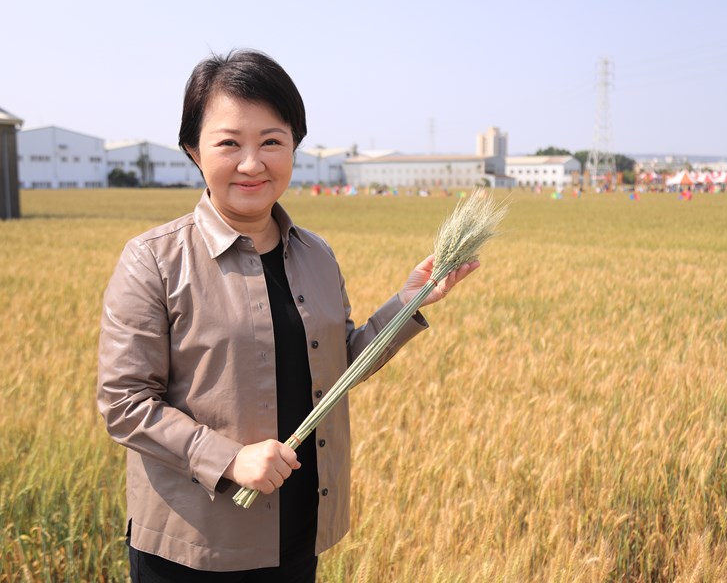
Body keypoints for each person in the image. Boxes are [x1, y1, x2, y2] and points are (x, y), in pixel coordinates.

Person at [97, 49, 478, 582]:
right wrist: (228, 459)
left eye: (271, 142)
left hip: (298, 530)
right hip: (195, 544)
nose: (252, 163)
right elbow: (124, 402)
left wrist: (408, 301)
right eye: (229, 143)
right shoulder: (154, 260)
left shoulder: (315, 254)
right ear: (193, 150)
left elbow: (338, 365)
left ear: (294, 148)